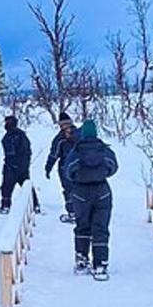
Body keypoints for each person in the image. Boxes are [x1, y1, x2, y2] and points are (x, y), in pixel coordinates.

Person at [61, 119, 118, 281]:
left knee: (82, 226)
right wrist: (101, 174)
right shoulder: (104, 149)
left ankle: (82, 260)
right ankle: (100, 264)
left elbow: (68, 171)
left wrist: (79, 177)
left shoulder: (76, 151)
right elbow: (113, 167)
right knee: (101, 228)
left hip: (80, 192)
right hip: (102, 191)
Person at [0, 115, 40, 214]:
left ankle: (7, 206)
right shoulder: (16, 135)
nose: (5, 124)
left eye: (7, 122)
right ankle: (34, 205)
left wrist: (17, 165)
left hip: (14, 167)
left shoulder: (16, 136)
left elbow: (23, 152)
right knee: (15, 187)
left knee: (11, 187)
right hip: (17, 166)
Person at [44, 112, 79, 224]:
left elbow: (54, 154)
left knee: (68, 190)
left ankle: (73, 213)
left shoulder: (60, 138)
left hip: (66, 167)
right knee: (82, 189)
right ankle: (85, 212)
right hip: (81, 166)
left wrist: (48, 168)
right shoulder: (80, 134)